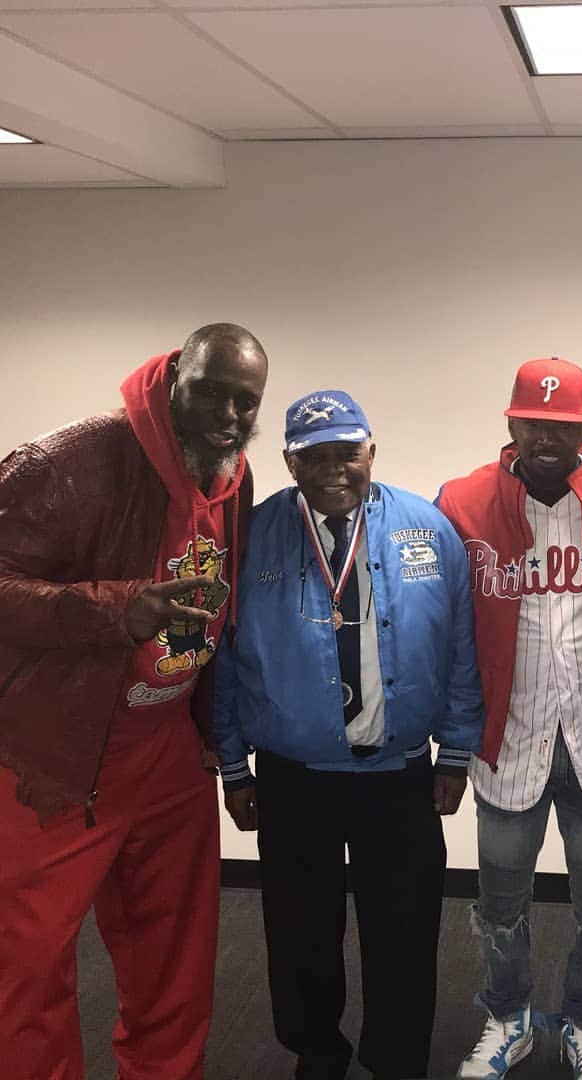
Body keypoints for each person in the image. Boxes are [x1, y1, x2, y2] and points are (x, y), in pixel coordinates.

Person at [0, 323, 269, 1080]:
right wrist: (118, 607)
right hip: (56, 752)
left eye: (243, 402)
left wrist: (217, 730)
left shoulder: (236, 475)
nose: (225, 414)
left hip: (167, 746)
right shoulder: (70, 461)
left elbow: (222, 609)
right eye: (211, 391)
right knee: (27, 963)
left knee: (174, 955)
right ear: (175, 373)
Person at [214, 389, 484, 1080]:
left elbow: (460, 646)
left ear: (372, 452)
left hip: (397, 776)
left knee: (405, 931)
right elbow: (224, 654)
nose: (335, 468)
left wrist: (454, 751)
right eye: (314, 457)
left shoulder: (427, 529)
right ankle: (317, 1048)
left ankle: (396, 1058)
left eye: (348, 453)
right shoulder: (253, 536)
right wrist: (234, 766)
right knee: (300, 932)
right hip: (292, 775)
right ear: (289, 462)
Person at [436, 358, 582, 1080]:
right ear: (510, 422)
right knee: (501, 900)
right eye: (532, 421)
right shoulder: (462, 501)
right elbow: (446, 629)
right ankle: (507, 1018)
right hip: (510, 743)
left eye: (561, 424)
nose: (545, 436)